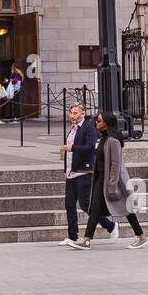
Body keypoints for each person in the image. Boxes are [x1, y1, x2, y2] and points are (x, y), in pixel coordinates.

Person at [78, 112, 147, 248]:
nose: (97, 123)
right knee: (95, 209)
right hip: (101, 179)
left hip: (112, 180)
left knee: (127, 208)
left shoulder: (113, 141)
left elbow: (116, 165)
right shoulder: (104, 139)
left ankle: (140, 236)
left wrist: (112, 185)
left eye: (99, 121)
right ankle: (87, 239)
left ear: (107, 123)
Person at [58, 103, 96, 249]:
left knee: (86, 205)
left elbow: (90, 147)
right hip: (71, 172)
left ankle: (110, 225)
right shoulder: (73, 129)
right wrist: (65, 170)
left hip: (83, 172)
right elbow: (67, 153)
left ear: (83, 114)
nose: (72, 116)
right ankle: (72, 236)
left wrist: (73, 148)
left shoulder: (88, 128)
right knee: (69, 204)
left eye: (75, 113)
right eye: (71, 113)